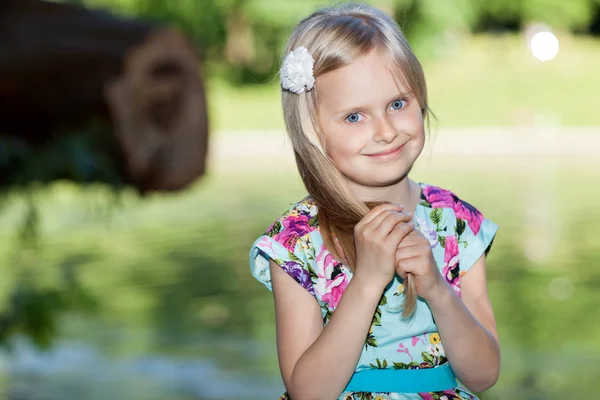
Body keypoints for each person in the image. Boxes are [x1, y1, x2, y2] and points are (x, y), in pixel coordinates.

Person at [249, 3, 500, 399]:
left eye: (397, 104)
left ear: (420, 99)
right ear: (314, 131)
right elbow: (307, 392)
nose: (385, 131)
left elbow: (484, 375)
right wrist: (367, 280)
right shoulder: (296, 241)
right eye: (354, 117)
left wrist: (436, 287)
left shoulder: (455, 223)